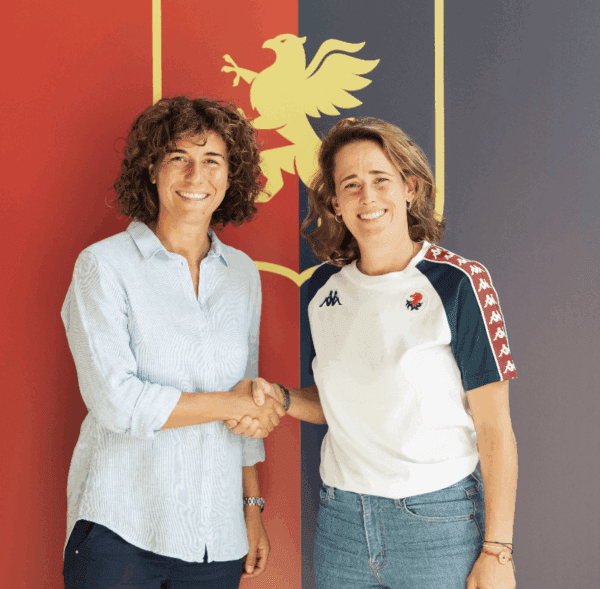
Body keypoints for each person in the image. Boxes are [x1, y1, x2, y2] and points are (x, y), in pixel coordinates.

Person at [228, 117, 518, 589]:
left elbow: (495, 428)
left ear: (409, 188)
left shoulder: (459, 282)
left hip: (438, 523)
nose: (367, 197)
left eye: (381, 179)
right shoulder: (323, 290)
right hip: (342, 524)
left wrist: (498, 551)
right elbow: (339, 404)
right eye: (351, 185)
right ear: (335, 204)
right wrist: (280, 398)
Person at [61, 96, 286, 589]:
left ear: (231, 175)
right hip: (121, 531)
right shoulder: (103, 265)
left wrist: (251, 507)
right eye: (178, 157)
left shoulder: (242, 274)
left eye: (212, 160)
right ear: (151, 169)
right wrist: (232, 402)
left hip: (217, 537)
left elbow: (245, 399)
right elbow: (116, 402)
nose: (195, 175)